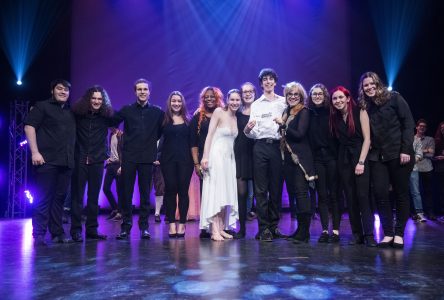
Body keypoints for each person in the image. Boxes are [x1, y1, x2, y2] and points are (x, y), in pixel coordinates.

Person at [358, 71, 415, 248]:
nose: (369, 87)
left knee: (401, 193)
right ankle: (388, 233)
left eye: (371, 84)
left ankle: (399, 234)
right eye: (365, 85)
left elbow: (408, 124)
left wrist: (405, 149)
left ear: (378, 83)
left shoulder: (394, 98)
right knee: (380, 194)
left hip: (399, 153)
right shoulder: (366, 106)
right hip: (378, 156)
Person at [24, 79, 76, 245]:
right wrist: (35, 152)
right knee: (43, 197)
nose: (63, 92)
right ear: (52, 90)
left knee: (59, 199)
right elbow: (29, 127)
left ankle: (57, 233)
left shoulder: (70, 111)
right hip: (46, 160)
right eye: (59, 89)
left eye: (66, 90)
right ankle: (39, 233)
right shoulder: (42, 106)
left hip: (66, 161)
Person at [113, 78, 165, 240]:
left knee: (144, 194)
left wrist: (157, 153)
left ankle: (144, 227)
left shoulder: (157, 112)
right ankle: (126, 227)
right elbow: (112, 121)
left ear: (149, 92)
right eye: (139, 89)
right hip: (129, 157)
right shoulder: (127, 110)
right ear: (135, 92)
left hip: (147, 158)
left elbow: (163, 133)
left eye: (145, 89)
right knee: (126, 194)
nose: (142, 92)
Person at [330, 86, 376, 247]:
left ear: (348, 98)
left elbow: (367, 139)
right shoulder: (335, 117)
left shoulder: (360, 111)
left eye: (341, 97)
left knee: (363, 196)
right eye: (335, 98)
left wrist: (361, 162)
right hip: (344, 159)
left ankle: (369, 234)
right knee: (350, 198)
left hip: (359, 156)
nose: (338, 101)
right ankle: (357, 234)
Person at [244, 68, 287, 242]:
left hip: (278, 147)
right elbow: (252, 132)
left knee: (276, 188)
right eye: (265, 80)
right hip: (260, 146)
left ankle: (274, 225)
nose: (268, 82)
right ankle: (263, 228)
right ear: (261, 83)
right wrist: (247, 130)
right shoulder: (256, 104)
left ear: (275, 82)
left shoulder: (284, 102)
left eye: (271, 79)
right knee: (261, 190)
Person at [70, 85, 115, 242]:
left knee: (94, 197)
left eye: (100, 99)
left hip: (97, 160)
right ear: (88, 100)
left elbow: (120, 120)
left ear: (103, 101)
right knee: (77, 197)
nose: (96, 101)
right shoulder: (78, 115)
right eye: (94, 98)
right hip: (79, 159)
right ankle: (75, 230)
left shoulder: (106, 117)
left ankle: (91, 230)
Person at [275, 82, 316, 244]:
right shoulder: (287, 111)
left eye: (296, 95)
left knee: (301, 194)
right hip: (288, 159)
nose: (292, 97)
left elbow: (299, 134)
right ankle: (299, 229)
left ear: (301, 97)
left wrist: (283, 125)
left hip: (300, 159)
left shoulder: (304, 112)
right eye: (289, 94)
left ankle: (305, 232)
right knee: (294, 194)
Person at [200, 89, 240, 241]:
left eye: (238, 100)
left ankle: (222, 228)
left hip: (229, 160)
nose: (235, 102)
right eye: (233, 99)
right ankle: (214, 230)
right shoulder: (218, 112)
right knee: (217, 193)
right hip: (216, 157)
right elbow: (209, 135)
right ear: (227, 100)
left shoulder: (236, 118)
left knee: (226, 193)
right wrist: (205, 156)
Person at [307, 83, 341, 243]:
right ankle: (325, 230)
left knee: (334, 194)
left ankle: (335, 231)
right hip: (317, 159)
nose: (317, 96)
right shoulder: (309, 113)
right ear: (311, 97)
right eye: (314, 94)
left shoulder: (332, 112)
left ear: (325, 95)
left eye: (320, 94)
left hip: (332, 158)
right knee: (321, 195)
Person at [189, 86, 224, 238]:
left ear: (217, 98)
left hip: (222, 160)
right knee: (207, 194)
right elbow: (193, 143)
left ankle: (220, 226)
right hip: (205, 161)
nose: (209, 99)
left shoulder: (224, 114)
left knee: (222, 193)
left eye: (212, 96)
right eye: (206, 97)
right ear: (203, 99)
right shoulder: (198, 117)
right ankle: (206, 227)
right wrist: (196, 164)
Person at [160, 91, 194, 238]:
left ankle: (182, 224)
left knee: (183, 192)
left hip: (186, 161)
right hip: (167, 161)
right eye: (174, 101)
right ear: (169, 102)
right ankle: (172, 224)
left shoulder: (188, 120)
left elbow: (194, 142)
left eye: (179, 101)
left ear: (183, 103)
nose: (176, 104)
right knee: (170, 191)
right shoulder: (163, 120)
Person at [233, 82, 256, 239]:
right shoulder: (236, 112)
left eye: (250, 91)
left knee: (260, 194)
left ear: (255, 93)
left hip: (258, 154)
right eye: (244, 92)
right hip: (241, 155)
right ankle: (242, 229)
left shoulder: (260, 110)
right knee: (241, 194)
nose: (247, 94)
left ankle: (264, 228)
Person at [414, 119, 436, 220]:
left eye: (424, 126)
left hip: (427, 168)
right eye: (420, 126)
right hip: (415, 168)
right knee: (415, 191)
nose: (422, 128)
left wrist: (418, 151)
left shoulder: (430, 139)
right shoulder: (412, 139)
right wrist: (425, 150)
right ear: (417, 127)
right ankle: (417, 212)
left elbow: (431, 153)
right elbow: (410, 152)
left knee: (428, 191)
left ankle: (430, 212)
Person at [102, 127, 123, 221]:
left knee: (120, 191)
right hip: (111, 165)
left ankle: (120, 212)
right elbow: (111, 150)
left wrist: (122, 166)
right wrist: (108, 158)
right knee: (105, 188)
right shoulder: (110, 135)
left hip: (119, 165)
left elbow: (124, 152)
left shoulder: (121, 135)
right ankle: (115, 208)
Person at [409, 131, 425, 222]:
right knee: (400, 192)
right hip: (399, 169)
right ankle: (401, 214)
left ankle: (419, 213)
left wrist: (410, 161)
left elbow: (419, 154)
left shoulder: (416, 140)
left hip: (413, 169)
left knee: (415, 191)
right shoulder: (398, 137)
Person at [433, 121, 444, 220]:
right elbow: (432, 155)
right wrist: (436, 157)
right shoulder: (437, 141)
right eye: (442, 128)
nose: (443, 130)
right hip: (440, 169)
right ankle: (442, 213)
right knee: (441, 191)